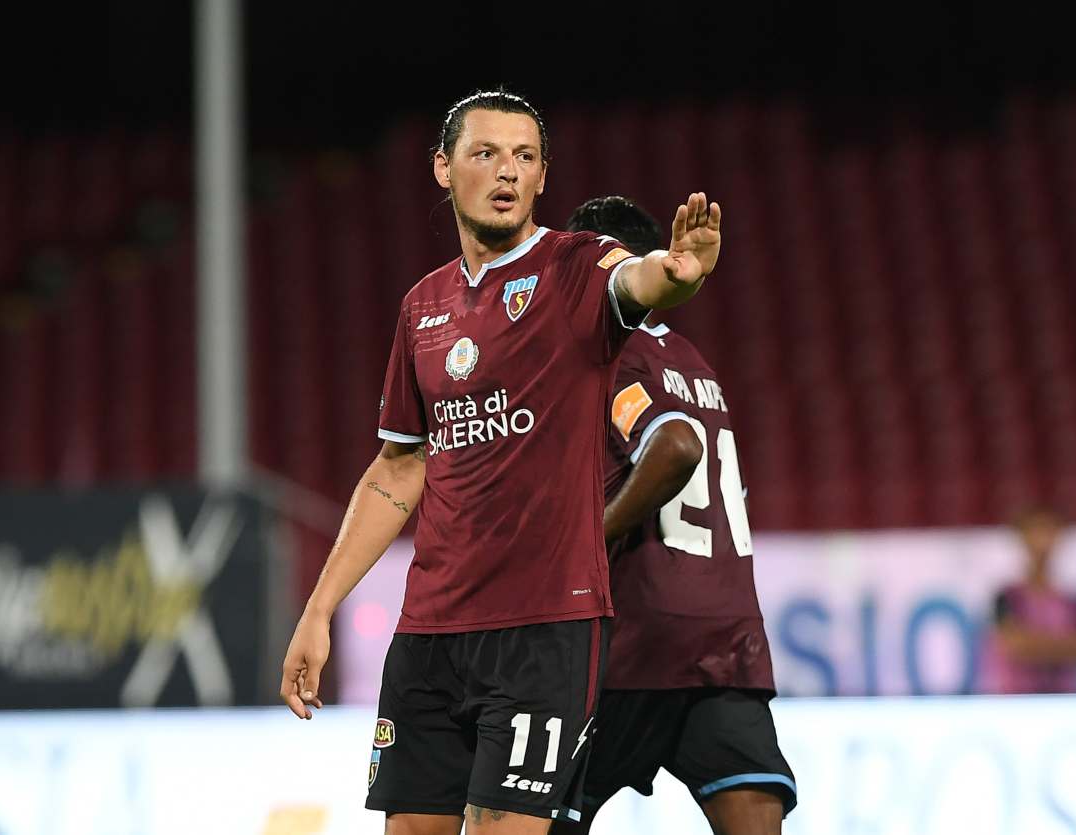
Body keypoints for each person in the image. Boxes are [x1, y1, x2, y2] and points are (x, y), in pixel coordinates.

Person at [279, 91, 723, 835]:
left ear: (543, 175)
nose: (506, 171)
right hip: (428, 632)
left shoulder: (577, 267)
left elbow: (640, 279)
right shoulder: (423, 307)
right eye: (485, 153)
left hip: (543, 631)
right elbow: (397, 467)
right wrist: (319, 610)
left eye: (523, 156)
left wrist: (680, 273)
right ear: (443, 169)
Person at [551, 197, 795, 835]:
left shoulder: (613, 356)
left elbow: (674, 448)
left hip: (635, 638)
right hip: (725, 636)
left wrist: (584, 539)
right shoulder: (694, 362)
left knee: (532, 819)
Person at [981, 507, 1076, 694]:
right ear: (1022, 538)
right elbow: (1014, 646)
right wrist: (1066, 648)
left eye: (1049, 532)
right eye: (1035, 531)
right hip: (1016, 704)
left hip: (1065, 704)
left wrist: (1034, 645)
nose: (1042, 542)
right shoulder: (1006, 596)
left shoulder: (1074, 600)